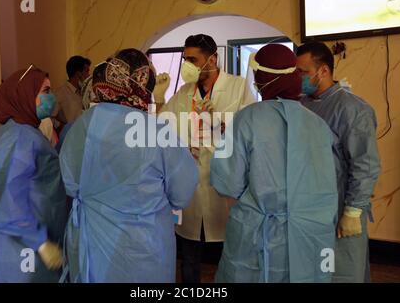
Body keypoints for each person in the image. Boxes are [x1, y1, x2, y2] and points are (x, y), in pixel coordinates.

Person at [59, 48, 198, 283]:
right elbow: (182, 194)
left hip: (90, 243)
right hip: (141, 250)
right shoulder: (156, 132)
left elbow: (71, 184)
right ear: (144, 84)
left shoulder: (78, 127)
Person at [210, 44, 339, 282]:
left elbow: (227, 182)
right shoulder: (318, 125)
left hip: (258, 233)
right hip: (310, 231)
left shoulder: (246, 119)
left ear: (263, 78)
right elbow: (328, 183)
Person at [154, 34, 256, 283]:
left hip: (224, 186)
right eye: (185, 59)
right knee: (189, 255)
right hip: (190, 185)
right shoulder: (183, 91)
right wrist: (158, 98)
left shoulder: (238, 87)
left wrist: (222, 122)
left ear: (213, 59)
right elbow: (162, 129)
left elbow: (252, 132)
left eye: (193, 59)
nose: (187, 65)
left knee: (229, 256)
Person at [296, 42, 381, 283]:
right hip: (309, 207)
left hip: (340, 207)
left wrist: (353, 210)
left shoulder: (352, 108)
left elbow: (365, 164)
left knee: (343, 272)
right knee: (315, 272)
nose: (298, 77)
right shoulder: (301, 105)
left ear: (323, 71)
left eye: (302, 72)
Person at [0, 66, 67, 282]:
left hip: (29, 240)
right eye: (45, 91)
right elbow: (10, 200)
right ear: (25, 95)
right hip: (25, 248)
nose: (51, 97)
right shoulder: (20, 139)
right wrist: (40, 243)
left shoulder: (25, 132)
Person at [52, 55, 91, 129]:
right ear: (78, 74)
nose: (89, 75)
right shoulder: (59, 93)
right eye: (87, 71)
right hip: (71, 138)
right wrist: (63, 127)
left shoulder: (86, 92)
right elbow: (49, 118)